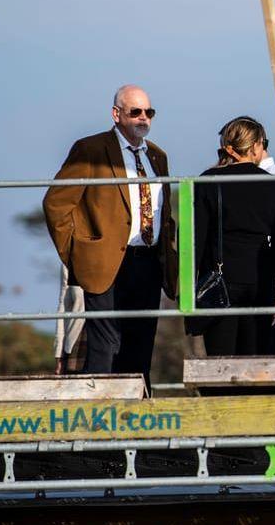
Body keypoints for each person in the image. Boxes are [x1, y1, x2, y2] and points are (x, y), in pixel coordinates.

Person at [42, 84, 175, 380]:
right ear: (116, 114)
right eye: (135, 112)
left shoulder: (157, 156)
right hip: (105, 264)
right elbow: (56, 204)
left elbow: (165, 214)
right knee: (105, 347)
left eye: (149, 112)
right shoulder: (90, 149)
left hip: (148, 262)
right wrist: (78, 254)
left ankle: (136, 418)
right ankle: (101, 417)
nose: (144, 118)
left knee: (140, 346)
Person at [194, 117, 275, 356]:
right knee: (256, 360)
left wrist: (191, 290)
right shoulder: (274, 186)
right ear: (256, 146)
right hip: (260, 283)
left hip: (218, 285)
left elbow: (195, 240)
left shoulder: (206, 182)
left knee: (220, 361)